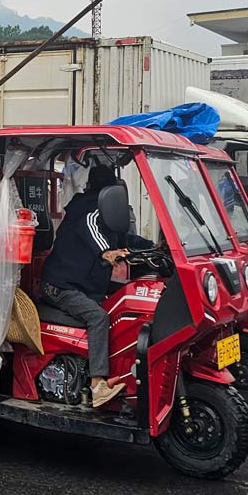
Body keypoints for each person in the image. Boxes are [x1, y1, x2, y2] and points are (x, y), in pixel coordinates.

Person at [39, 165, 152, 408]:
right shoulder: (89, 209)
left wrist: (153, 247)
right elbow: (91, 230)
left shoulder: (111, 214)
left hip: (85, 283)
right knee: (98, 317)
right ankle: (97, 384)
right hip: (60, 285)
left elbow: (124, 239)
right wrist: (107, 252)